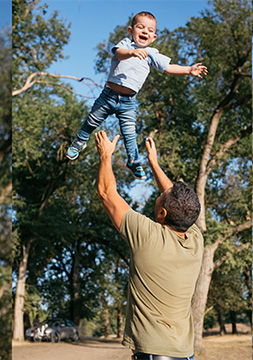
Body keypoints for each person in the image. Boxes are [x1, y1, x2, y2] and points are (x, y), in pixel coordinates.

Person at [94, 130, 203, 359]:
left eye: (161, 197)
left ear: (162, 212)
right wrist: (154, 164)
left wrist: (106, 155)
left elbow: (106, 193)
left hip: (155, 355)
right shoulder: (195, 240)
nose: (161, 194)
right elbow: (178, 202)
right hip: (184, 354)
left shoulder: (148, 236)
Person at [67, 11, 208, 179]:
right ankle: (80, 141)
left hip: (128, 102)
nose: (144, 31)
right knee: (92, 119)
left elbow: (168, 68)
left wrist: (189, 70)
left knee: (129, 133)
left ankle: (133, 161)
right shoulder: (126, 44)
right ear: (130, 30)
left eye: (149, 30)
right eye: (140, 27)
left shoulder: (152, 53)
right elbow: (118, 53)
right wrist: (132, 53)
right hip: (108, 96)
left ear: (154, 37)